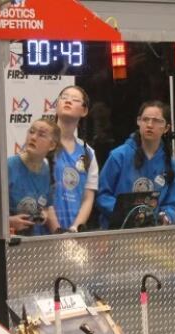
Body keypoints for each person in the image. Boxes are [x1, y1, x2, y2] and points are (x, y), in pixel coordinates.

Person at [97, 100, 175, 229]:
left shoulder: (170, 163)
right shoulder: (119, 156)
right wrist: (128, 214)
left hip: (152, 234)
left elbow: (171, 204)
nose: (149, 124)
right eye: (145, 119)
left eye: (156, 121)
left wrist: (166, 217)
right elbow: (103, 196)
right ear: (138, 122)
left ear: (166, 128)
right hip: (117, 232)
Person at [47, 86, 99, 232]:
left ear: (84, 111)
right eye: (64, 97)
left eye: (75, 99)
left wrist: (75, 228)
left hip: (74, 234)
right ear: (56, 105)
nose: (68, 101)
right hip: (44, 233)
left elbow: (88, 197)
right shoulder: (43, 144)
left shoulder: (88, 153)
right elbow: (39, 192)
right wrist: (57, 230)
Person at [8, 119, 59, 236]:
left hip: (31, 242)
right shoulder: (8, 167)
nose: (33, 137)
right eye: (31, 132)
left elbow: (46, 206)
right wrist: (9, 222)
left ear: (51, 145)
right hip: (7, 242)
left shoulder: (47, 171)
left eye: (41, 135)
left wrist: (44, 215)